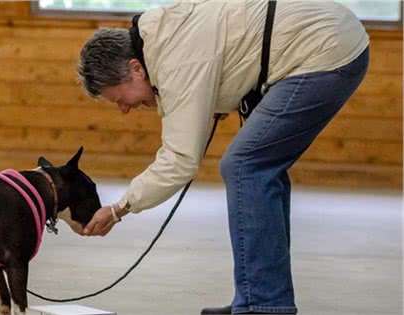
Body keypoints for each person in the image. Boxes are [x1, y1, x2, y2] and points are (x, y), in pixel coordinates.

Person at [76, 1, 369, 314]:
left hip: (323, 51)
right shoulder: (165, 37)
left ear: (136, 67)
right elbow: (231, 51)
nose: (124, 109)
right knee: (258, 166)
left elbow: (180, 160)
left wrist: (120, 208)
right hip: (326, 40)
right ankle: (260, 296)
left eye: (120, 99)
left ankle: (263, 303)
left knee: (245, 166)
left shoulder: (176, 59)